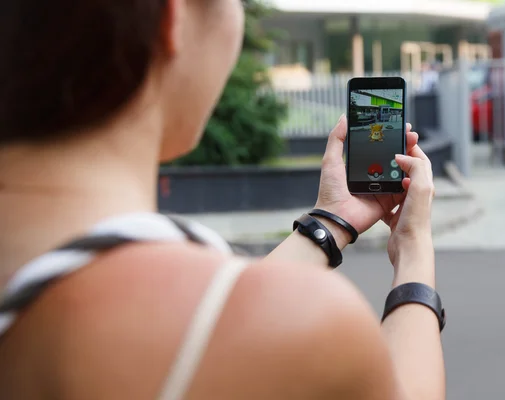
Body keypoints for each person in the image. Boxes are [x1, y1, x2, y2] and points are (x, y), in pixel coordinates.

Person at [0, 1, 445, 399]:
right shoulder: (315, 323)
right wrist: (413, 250)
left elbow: (222, 315)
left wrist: (332, 221)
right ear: (171, 18)